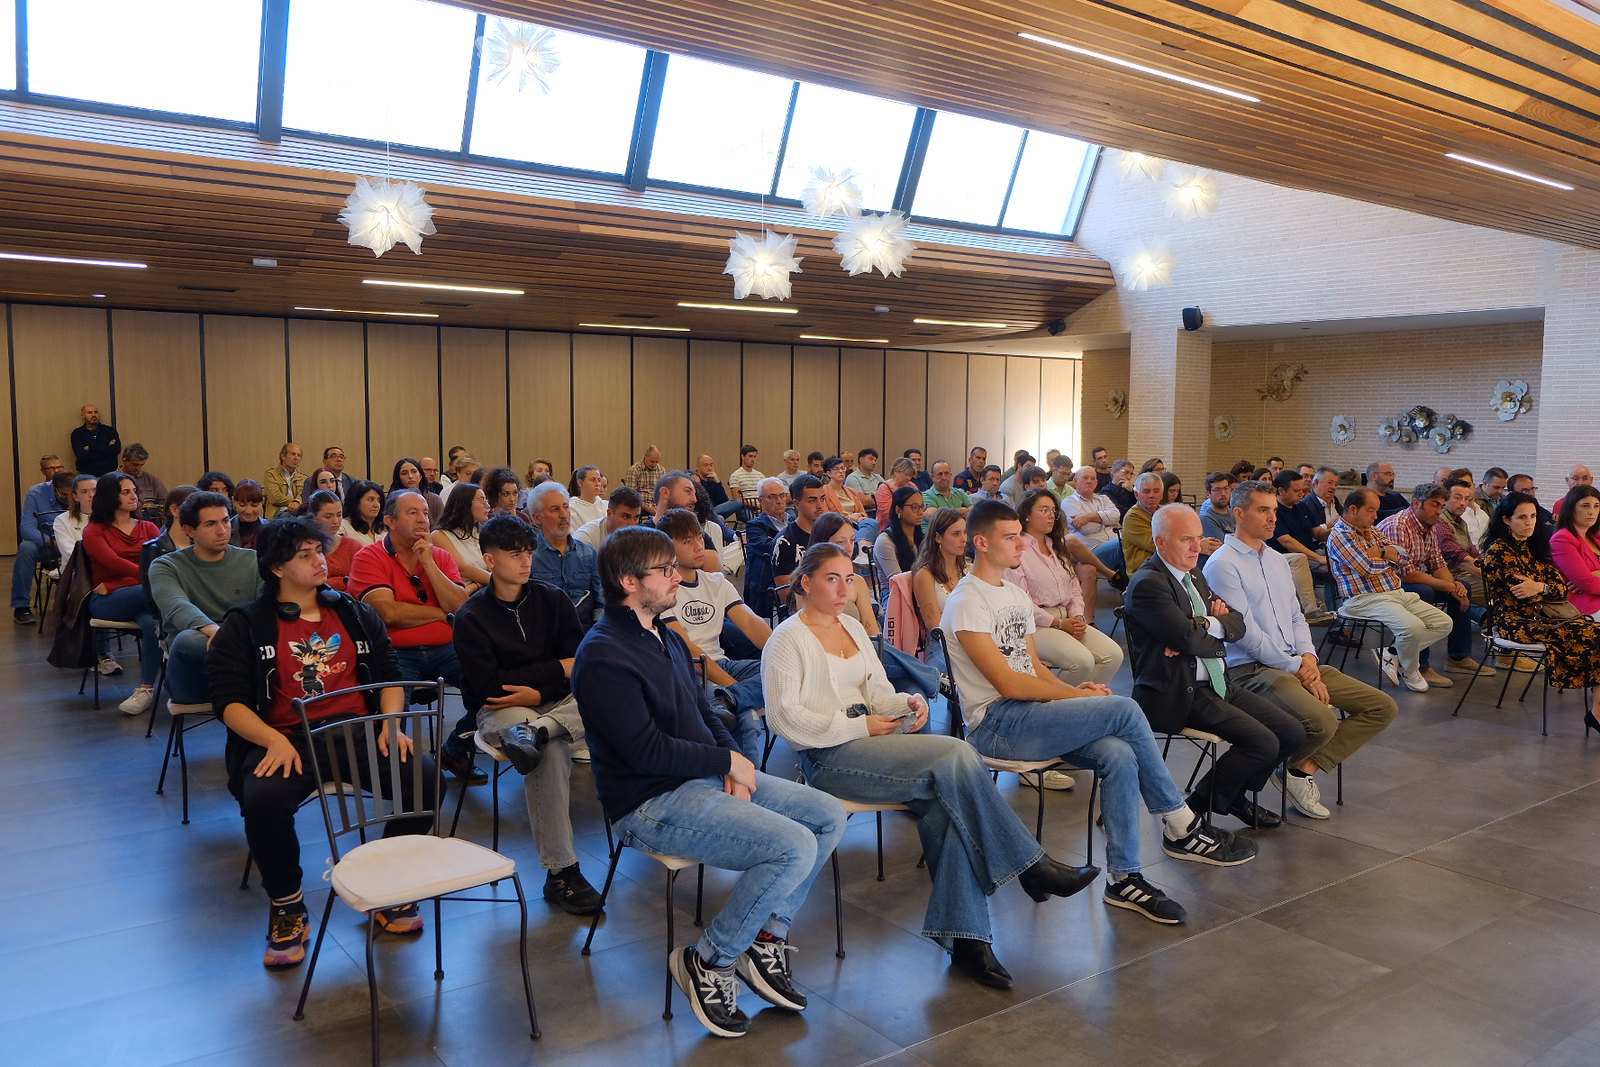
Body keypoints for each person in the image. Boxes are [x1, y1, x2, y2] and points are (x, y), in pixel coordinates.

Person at [764, 542, 1098, 989]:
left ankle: (968, 941)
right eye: (832, 579)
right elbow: (784, 719)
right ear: (805, 582)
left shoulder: (852, 627)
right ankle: (1031, 865)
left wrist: (908, 702)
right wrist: (859, 726)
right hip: (828, 757)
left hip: (875, 746)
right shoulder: (787, 639)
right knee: (958, 753)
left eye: (849, 578)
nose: (844, 589)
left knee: (949, 809)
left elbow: (879, 692)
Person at [571, 526, 845, 1040]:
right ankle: (710, 960)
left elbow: (704, 711)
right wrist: (725, 761)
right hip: (649, 801)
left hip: (700, 776)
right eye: (665, 570)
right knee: (792, 846)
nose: (678, 577)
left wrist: (732, 761)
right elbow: (644, 751)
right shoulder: (603, 654)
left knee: (827, 814)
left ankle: (764, 937)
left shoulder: (667, 636)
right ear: (629, 581)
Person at [942, 500, 1256, 926]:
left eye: (1020, 535)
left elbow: (1032, 668)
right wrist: (1074, 698)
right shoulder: (966, 601)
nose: (1022, 544)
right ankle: (1179, 821)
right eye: (1011, 537)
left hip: (1031, 715)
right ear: (981, 543)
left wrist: (1073, 691)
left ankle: (1124, 878)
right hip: (996, 725)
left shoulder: (1013, 595)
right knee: (1123, 708)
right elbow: (1009, 685)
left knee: (1119, 754)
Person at [209, 517, 434, 968]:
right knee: (263, 800)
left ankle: (384, 885)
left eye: (320, 551)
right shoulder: (247, 624)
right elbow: (228, 703)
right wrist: (271, 739)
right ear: (277, 568)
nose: (320, 561)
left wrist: (390, 723)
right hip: (288, 738)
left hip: (357, 732)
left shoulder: (352, 611)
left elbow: (390, 672)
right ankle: (287, 903)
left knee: (425, 779)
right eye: (305, 555)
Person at [1203, 481, 1398, 820]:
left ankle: (1298, 769)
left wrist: (1308, 658)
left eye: (1274, 510)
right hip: (1250, 670)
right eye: (1263, 510)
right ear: (1239, 514)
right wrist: (1297, 668)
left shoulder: (1277, 560)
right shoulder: (1223, 564)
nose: (1272, 517)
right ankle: (1275, 772)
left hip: (1295, 662)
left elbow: (1296, 616)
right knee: (1322, 721)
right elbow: (1244, 633)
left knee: (1382, 707)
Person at [452, 514, 603, 916]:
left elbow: (579, 664)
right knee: (549, 751)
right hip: (502, 709)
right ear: (489, 560)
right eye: (515, 554)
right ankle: (562, 872)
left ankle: (540, 731)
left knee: (606, 695)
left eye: (529, 553)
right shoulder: (471, 617)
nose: (526, 562)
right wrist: (552, 672)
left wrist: (540, 689)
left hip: (553, 703)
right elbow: (491, 687)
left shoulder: (552, 599)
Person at [1124, 504, 1304, 830]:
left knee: (1291, 732)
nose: (1197, 547)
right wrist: (1203, 631)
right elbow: (1189, 640)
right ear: (1161, 542)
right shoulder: (1150, 583)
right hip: (1179, 693)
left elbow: (1237, 623)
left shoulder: (1193, 574)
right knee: (1263, 742)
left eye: (1199, 538)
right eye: (1186, 540)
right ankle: (1197, 808)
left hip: (1218, 683)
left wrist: (1205, 625)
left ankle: (1231, 795)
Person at [347, 490, 478, 781]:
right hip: (396, 651)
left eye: (426, 514)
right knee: (394, 711)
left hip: (446, 648)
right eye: (413, 513)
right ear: (390, 521)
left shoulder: (439, 556)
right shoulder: (368, 557)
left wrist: (429, 564)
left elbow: (460, 607)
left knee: (491, 687)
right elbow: (388, 613)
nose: (423, 520)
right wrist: (440, 613)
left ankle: (455, 749)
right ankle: (401, 779)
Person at [657, 508, 772, 763]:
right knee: (745, 716)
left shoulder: (717, 582)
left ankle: (730, 701)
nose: (699, 546)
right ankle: (750, 780)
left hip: (722, 663)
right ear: (668, 548)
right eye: (687, 541)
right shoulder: (663, 590)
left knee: (780, 671)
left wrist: (785, 651)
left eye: (699, 537)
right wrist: (732, 687)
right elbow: (687, 650)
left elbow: (751, 623)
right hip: (689, 672)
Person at [1325, 487, 1454, 692]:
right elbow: (1367, 568)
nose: (1375, 516)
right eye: (1370, 510)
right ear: (1353, 509)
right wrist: (1390, 559)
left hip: (1396, 593)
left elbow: (1404, 556)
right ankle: (1410, 669)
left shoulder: (1372, 531)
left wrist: (1381, 551)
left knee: (1444, 623)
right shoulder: (1340, 535)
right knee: (1413, 627)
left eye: (1376, 511)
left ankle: (1392, 654)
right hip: (1365, 599)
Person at [1481, 491, 1600, 704]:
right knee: (1591, 634)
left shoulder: (1535, 546)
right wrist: (1546, 588)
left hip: (1547, 617)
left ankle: (1597, 710)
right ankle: (1597, 710)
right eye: (1522, 517)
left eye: (1533, 516)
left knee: (1596, 632)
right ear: (1506, 520)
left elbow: (1562, 590)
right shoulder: (1498, 550)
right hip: (1515, 621)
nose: (1529, 522)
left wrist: (1540, 587)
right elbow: (1524, 596)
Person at [148, 490, 262, 705]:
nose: (222, 531)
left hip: (242, 654)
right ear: (189, 530)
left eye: (226, 521)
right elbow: (177, 606)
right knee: (187, 639)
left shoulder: (252, 560)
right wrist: (216, 633)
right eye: (210, 524)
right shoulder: (165, 566)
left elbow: (265, 605)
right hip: (196, 676)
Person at [1012, 487, 1124, 688]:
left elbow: (1074, 589)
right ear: (1026, 514)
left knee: (1113, 655)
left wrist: (1078, 617)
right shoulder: (1017, 551)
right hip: (1035, 624)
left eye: (1053, 511)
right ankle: (1054, 702)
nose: (1051, 516)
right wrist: (1059, 623)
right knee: (1081, 662)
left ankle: (1082, 702)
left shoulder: (1056, 546)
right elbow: (1022, 603)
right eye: (1043, 510)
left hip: (1067, 617)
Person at [1377, 483, 1477, 685]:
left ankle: (1458, 657)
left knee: (1463, 586)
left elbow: (1438, 565)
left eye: (1441, 506)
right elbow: (1406, 574)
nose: (1439, 511)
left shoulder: (1430, 526)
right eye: (1434, 505)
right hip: (1385, 586)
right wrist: (1449, 586)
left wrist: (1454, 587)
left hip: (1407, 581)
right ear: (1416, 503)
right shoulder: (1398, 526)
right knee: (1423, 591)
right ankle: (1419, 665)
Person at [81, 472, 161, 712]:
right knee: (158, 596)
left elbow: (162, 563)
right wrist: (147, 579)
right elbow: (113, 563)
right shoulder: (94, 531)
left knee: (153, 624)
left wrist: (121, 582)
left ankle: (146, 689)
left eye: (134, 491)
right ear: (109, 497)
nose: (134, 496)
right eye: (126, 492)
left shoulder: (148, 527)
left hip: (142, 596)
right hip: (108, 601)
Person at [526, 481, 604, 628]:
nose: (564, 515)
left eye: (566, 507)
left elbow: (601, 604)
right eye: (555, 509)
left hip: (585, 632)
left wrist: (596, 634)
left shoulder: (589, 554)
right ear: (537, 518)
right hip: (546, 632)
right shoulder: (528, 557)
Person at [1270, 470, 1337, 625]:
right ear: (1281, 491)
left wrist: (1338, 528)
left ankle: (1338, 614)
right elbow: (1287, 541)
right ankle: (1311, 609)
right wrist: (1318, 558)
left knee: (1338, 564)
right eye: (1296, 491)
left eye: (1302, 490)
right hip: (1284, 557)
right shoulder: (1274, 510)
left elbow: (1318, 533)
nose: (1301, 494)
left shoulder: (1302, 507)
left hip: (1309, 555)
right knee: (1307, 561)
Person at [11, 453, 67, 623]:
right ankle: (21, 607)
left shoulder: (77, 488)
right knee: (26, 548)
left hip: (73, 542)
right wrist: (49, 541)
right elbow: (27, 528)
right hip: (48, 545)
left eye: (59, 467)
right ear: (43, 471)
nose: (56, 471)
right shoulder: (36, 493)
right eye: (51, 468)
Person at [808, 514, 882, 636]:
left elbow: (872, 631)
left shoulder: (857, 581)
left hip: (860, 643)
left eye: (852, 540)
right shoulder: (808, 581)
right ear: (822, 544)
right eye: (841, 542)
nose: (849, 548)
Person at [910, 507, 968, 650]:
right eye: (956, 534)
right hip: (941, 644)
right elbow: (935, 627)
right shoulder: (924, 574)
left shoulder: (968, 569)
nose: (964, 539)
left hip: (971, 637)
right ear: (938, 537)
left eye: (965, 532)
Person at [742, 478, 789, 620]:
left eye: (782, 495)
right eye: (773, 497)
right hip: (769, 582)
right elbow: (771, 548)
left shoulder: (793, 521)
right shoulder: (755, 526)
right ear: (761, 501)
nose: (779, 501)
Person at [431, 481, 490, 591]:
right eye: (482, 500)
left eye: (486, 500)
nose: (488, 506)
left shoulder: (480, 532)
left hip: (482, 590)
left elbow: (492, 565)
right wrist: (498, 581)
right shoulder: (439, 535)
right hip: (460, 594)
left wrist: (477, 585)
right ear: (465, 504)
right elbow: (463, 569)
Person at [1551, 485, 1600, 617]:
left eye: (1596, 506)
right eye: (1585, 506)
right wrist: (1590, 578)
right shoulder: (1562, 539)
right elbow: (1588, 584)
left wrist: (1596, 574)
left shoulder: (1595, 536)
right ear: (1571, 508)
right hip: (1584, 606)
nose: (1592, 511)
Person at [872, 485, 925, 589]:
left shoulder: (922, 537)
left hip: (921, 589)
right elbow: (898, 582)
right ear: (898, 510)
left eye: (922, 506)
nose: (920, 512)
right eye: (914, 507)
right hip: (895, 593)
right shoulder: (885, 541)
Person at [304, 490, 358, 591]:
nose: (336, 521)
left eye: (339, 515)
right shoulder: (303, 547)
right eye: (328, 516)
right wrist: (343, 581)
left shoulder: (353, 546)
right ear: (313, 517)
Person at [574, 486, 644, 551]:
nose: (632, 524)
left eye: (636, 517)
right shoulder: (585, 538)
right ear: (610, 514)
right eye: (625, 517)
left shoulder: (638, 538)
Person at [117, 443, 168, 523]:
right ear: (125, 460)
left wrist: (156, 508)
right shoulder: (111, 480)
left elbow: (166, 502)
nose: (138, 468)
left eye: (141, 465)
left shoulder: (151, 480)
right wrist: (139, 507)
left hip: (151, 521)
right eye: (135, 465)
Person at [55, 473, 96, 564]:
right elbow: (70, 553)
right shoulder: (62, 520)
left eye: (95, 490)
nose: (91, 495)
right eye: (84, 492)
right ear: (75, 496)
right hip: (78, 569)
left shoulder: (111, 516)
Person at [71, 404, 121, 476]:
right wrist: (107, 450)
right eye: (90, 413)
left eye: (96, 412)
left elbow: (116, 450)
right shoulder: (77, 433)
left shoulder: (109, 431)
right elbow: (82, 456)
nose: (94, 415)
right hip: (86, 475)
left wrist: (91, 448)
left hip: (109, 474)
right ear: (83, 415)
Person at [390, 458, 443, 525]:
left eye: (414, 472)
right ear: (398, 478)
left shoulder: (434, 500)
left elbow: (442, 526)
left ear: (420, 475)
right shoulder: (392, 501)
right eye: (404, 473)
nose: (410, 476)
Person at [262, 443, 305, 518]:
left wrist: (297, 502)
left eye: (299, 455)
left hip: (298, 512)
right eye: (293, 454)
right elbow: (274, 497)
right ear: (283, 456)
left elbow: (304, 495)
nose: (296, 458)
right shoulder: (271, 474)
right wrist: (295, 502)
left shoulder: (303, 478)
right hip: (278, 513)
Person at [873, 457, 918, 526]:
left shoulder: (912, 486)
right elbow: (887, 514)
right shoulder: (884, 488)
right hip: (889, 526)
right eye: (906, 474)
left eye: (910, 475)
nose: (909, 478)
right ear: (896, 471)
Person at [339, 480, 385, 547]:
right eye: (370, 500)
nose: (376, 505)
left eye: (378, 500)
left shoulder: (386, 527)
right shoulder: (343, 527)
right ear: (356, 502)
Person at [726, 445, 765, 521]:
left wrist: (762, 507)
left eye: (754, 457)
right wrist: (755, 505)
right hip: (745, 508)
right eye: (750, 456)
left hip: (761, 506)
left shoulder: (760, 475)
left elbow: (765, 495)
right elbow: (737, 499)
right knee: (756, 519)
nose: (753, 459)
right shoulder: (735, 476)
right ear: (743, 456)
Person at [1197, 472, 1235, 543]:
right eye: (1217, 490)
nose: (1223, 493)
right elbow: (1220, 546)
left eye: (1226, 488)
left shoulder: (1235, 514)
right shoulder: (1205, 519)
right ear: (1208, 494)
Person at [230, 479, 268, 549]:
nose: (248, 511)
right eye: (242, 505)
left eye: (254, 505)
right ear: (233, 502)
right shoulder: (226, 529)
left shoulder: (271, 529)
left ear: (262, 502)